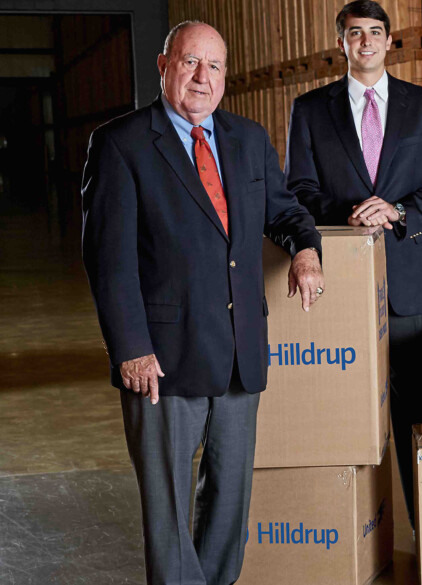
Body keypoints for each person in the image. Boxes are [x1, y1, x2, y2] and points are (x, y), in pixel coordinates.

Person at [81, 22, 324, 584]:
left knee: (229, 504)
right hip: (162, 359)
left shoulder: (247, 139)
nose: (202, 78)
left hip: (240, 353)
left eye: (214, 67)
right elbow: (109, 261)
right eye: (191, 62)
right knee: (167, 508)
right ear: (165, 64)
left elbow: (285, 213)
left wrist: (307, 251)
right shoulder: (121, 144)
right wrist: (132, 349)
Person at [284, 0, 422, 525]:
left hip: (406, 282)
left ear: (390, 41)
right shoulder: (310, 110)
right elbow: (297, 189)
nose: (365, 41)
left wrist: (400, 209)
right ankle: (355, 525)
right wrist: (349, 213)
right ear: (340, 43)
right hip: (339, 277)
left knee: (414, 409)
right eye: (355, 33)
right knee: (342, 407)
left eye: (375, 32)